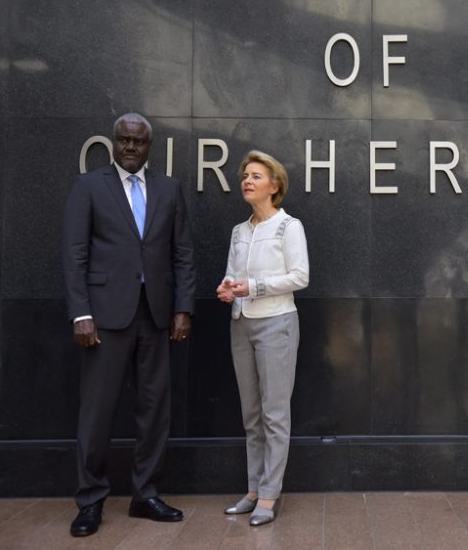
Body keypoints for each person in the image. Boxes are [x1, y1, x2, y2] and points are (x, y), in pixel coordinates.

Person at [62, 112, 196, 537]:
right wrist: (81, 312)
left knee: (154, 410)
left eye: (138, 142)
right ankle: (90, 501)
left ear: (149, 146)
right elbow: (74, 254)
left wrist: (182, 308)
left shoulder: (169, 189)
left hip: (155, 316)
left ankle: (145, 494)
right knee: (97, 412)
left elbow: (183, 254)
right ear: (113, 143)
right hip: (104, 317)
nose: (130, 148)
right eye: (123, 141)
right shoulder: (89, 186)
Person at [217, 150, 309, 527]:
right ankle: (254, 490)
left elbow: (300, 277)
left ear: (275, 185)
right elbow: (231, 276)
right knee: (251, 416)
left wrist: (253, 286)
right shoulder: (240, 231)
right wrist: (227, 288)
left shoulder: (290, 227)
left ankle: (269, 495)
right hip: (241, 324)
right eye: (245, 176)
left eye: (256, 176)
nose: (247, 181)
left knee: (274, 415)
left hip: (277, 325)